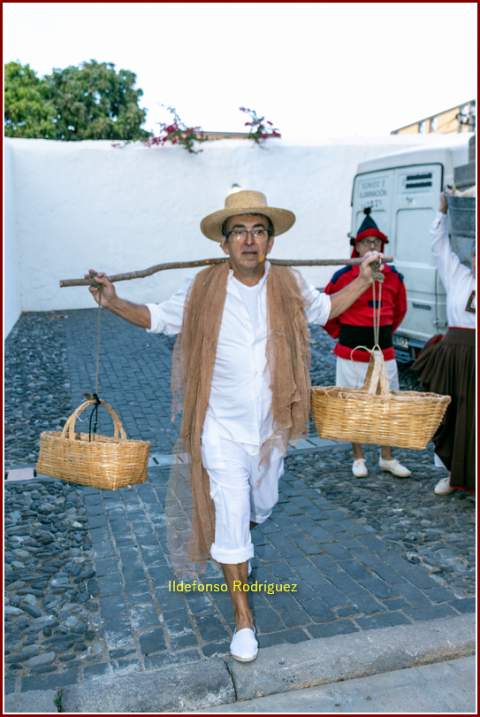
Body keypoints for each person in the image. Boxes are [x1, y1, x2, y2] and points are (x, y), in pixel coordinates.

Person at [86, 189, 383, 662]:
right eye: (239, 232)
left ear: (270, 242)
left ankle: (242, 527)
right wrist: (113, 302)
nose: (249, 240)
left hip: (271, 429)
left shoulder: (288, 282)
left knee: (261, 504)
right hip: (220, 428)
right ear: (223, 243)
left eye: (258, 231)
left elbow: (326, 309)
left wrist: (365, 280)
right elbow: (158, 318)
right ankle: (244, 619)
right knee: (229, 510)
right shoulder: (203, 286)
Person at [323, 207, 411, 479]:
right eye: (366, 242)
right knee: (353, 405)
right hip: (351, 353)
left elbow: (399, 311)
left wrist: (382, 334)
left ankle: (387, 457)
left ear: (382, 247)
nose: (372, 247)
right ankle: (358, 458)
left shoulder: (394, 277)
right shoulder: (342, 276)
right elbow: (327, 311)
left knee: (388, 404)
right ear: (357, 247)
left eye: (376, 242)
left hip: (384, 353)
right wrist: (344, 336)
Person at [412, 192, 475, 496]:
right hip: (453, 357)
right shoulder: (457, 274)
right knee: (450, 415)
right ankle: (451, 473)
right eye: (475, 252)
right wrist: (442, 212)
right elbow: (439, 245)